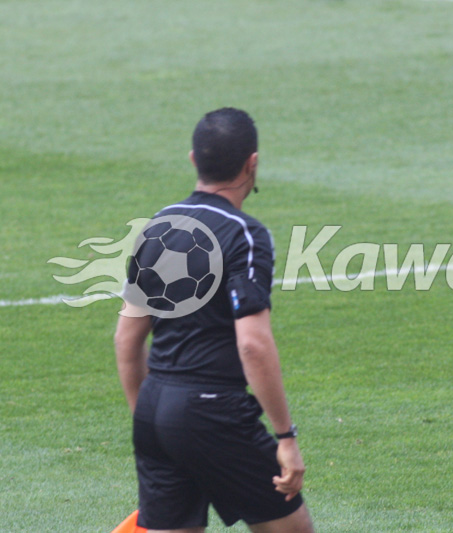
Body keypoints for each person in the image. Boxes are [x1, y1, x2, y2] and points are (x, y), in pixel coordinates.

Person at [114, 107, 314, 533]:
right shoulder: (244, 234)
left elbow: (126, 340)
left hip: (154, 408)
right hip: (212, 411)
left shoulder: (157, 226)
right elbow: (252, 345)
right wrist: (286, 437)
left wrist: (151, 423)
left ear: (193, 160)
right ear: (252, 164)